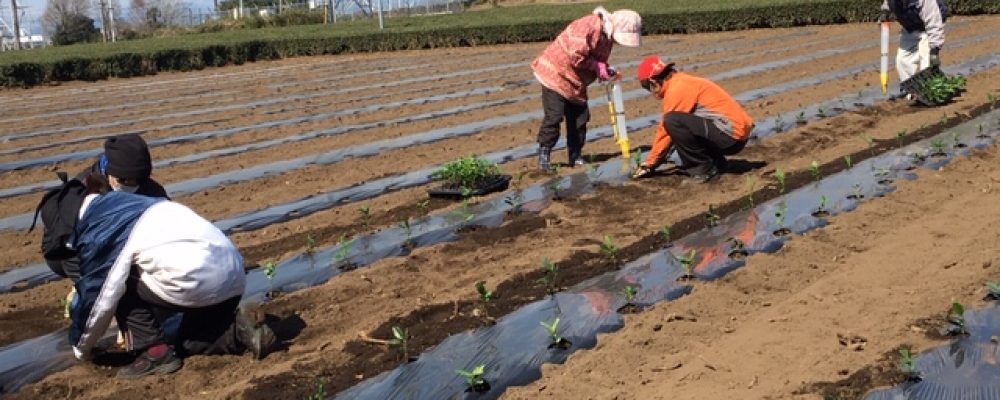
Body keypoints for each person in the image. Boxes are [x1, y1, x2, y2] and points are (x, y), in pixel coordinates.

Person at [38, 173, 275, 379]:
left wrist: (81, 348)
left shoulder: (102, 227)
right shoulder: (130, 201)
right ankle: (239, 331)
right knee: (185, 341)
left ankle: (154, 352)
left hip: (194, 279)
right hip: (231, 275)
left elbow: (99, 299)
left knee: (116, 280)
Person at [531, 6, 642, 172]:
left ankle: (575, 156)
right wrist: (596, 66)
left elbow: (597, 59)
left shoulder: (607, 38)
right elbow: (575, 54)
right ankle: (544, 156)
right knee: (554, 116)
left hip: (575, 80)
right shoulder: (588, 25)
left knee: (580, 118)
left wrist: (604, 69)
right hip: (555, 73)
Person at [631, 55, 754, 183]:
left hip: (730, 136)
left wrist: (650, 164)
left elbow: (665, 133)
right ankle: (718, 163)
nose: (650, 92)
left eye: (647, 87)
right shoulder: (682, 81)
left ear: (653, 82)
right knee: (686, 123)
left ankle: (703, 170)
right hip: (735, 133)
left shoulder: (677, 89)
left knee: (672, 121)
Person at [879, 0, 947, 83]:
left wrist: (934, 50)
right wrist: (885, 11)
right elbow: (888, 2)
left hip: (929, 26)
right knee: (902, 60)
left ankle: (930, 88)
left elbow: (934, 23)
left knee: (927, 62)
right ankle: (911, 89)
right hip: (910, 27)